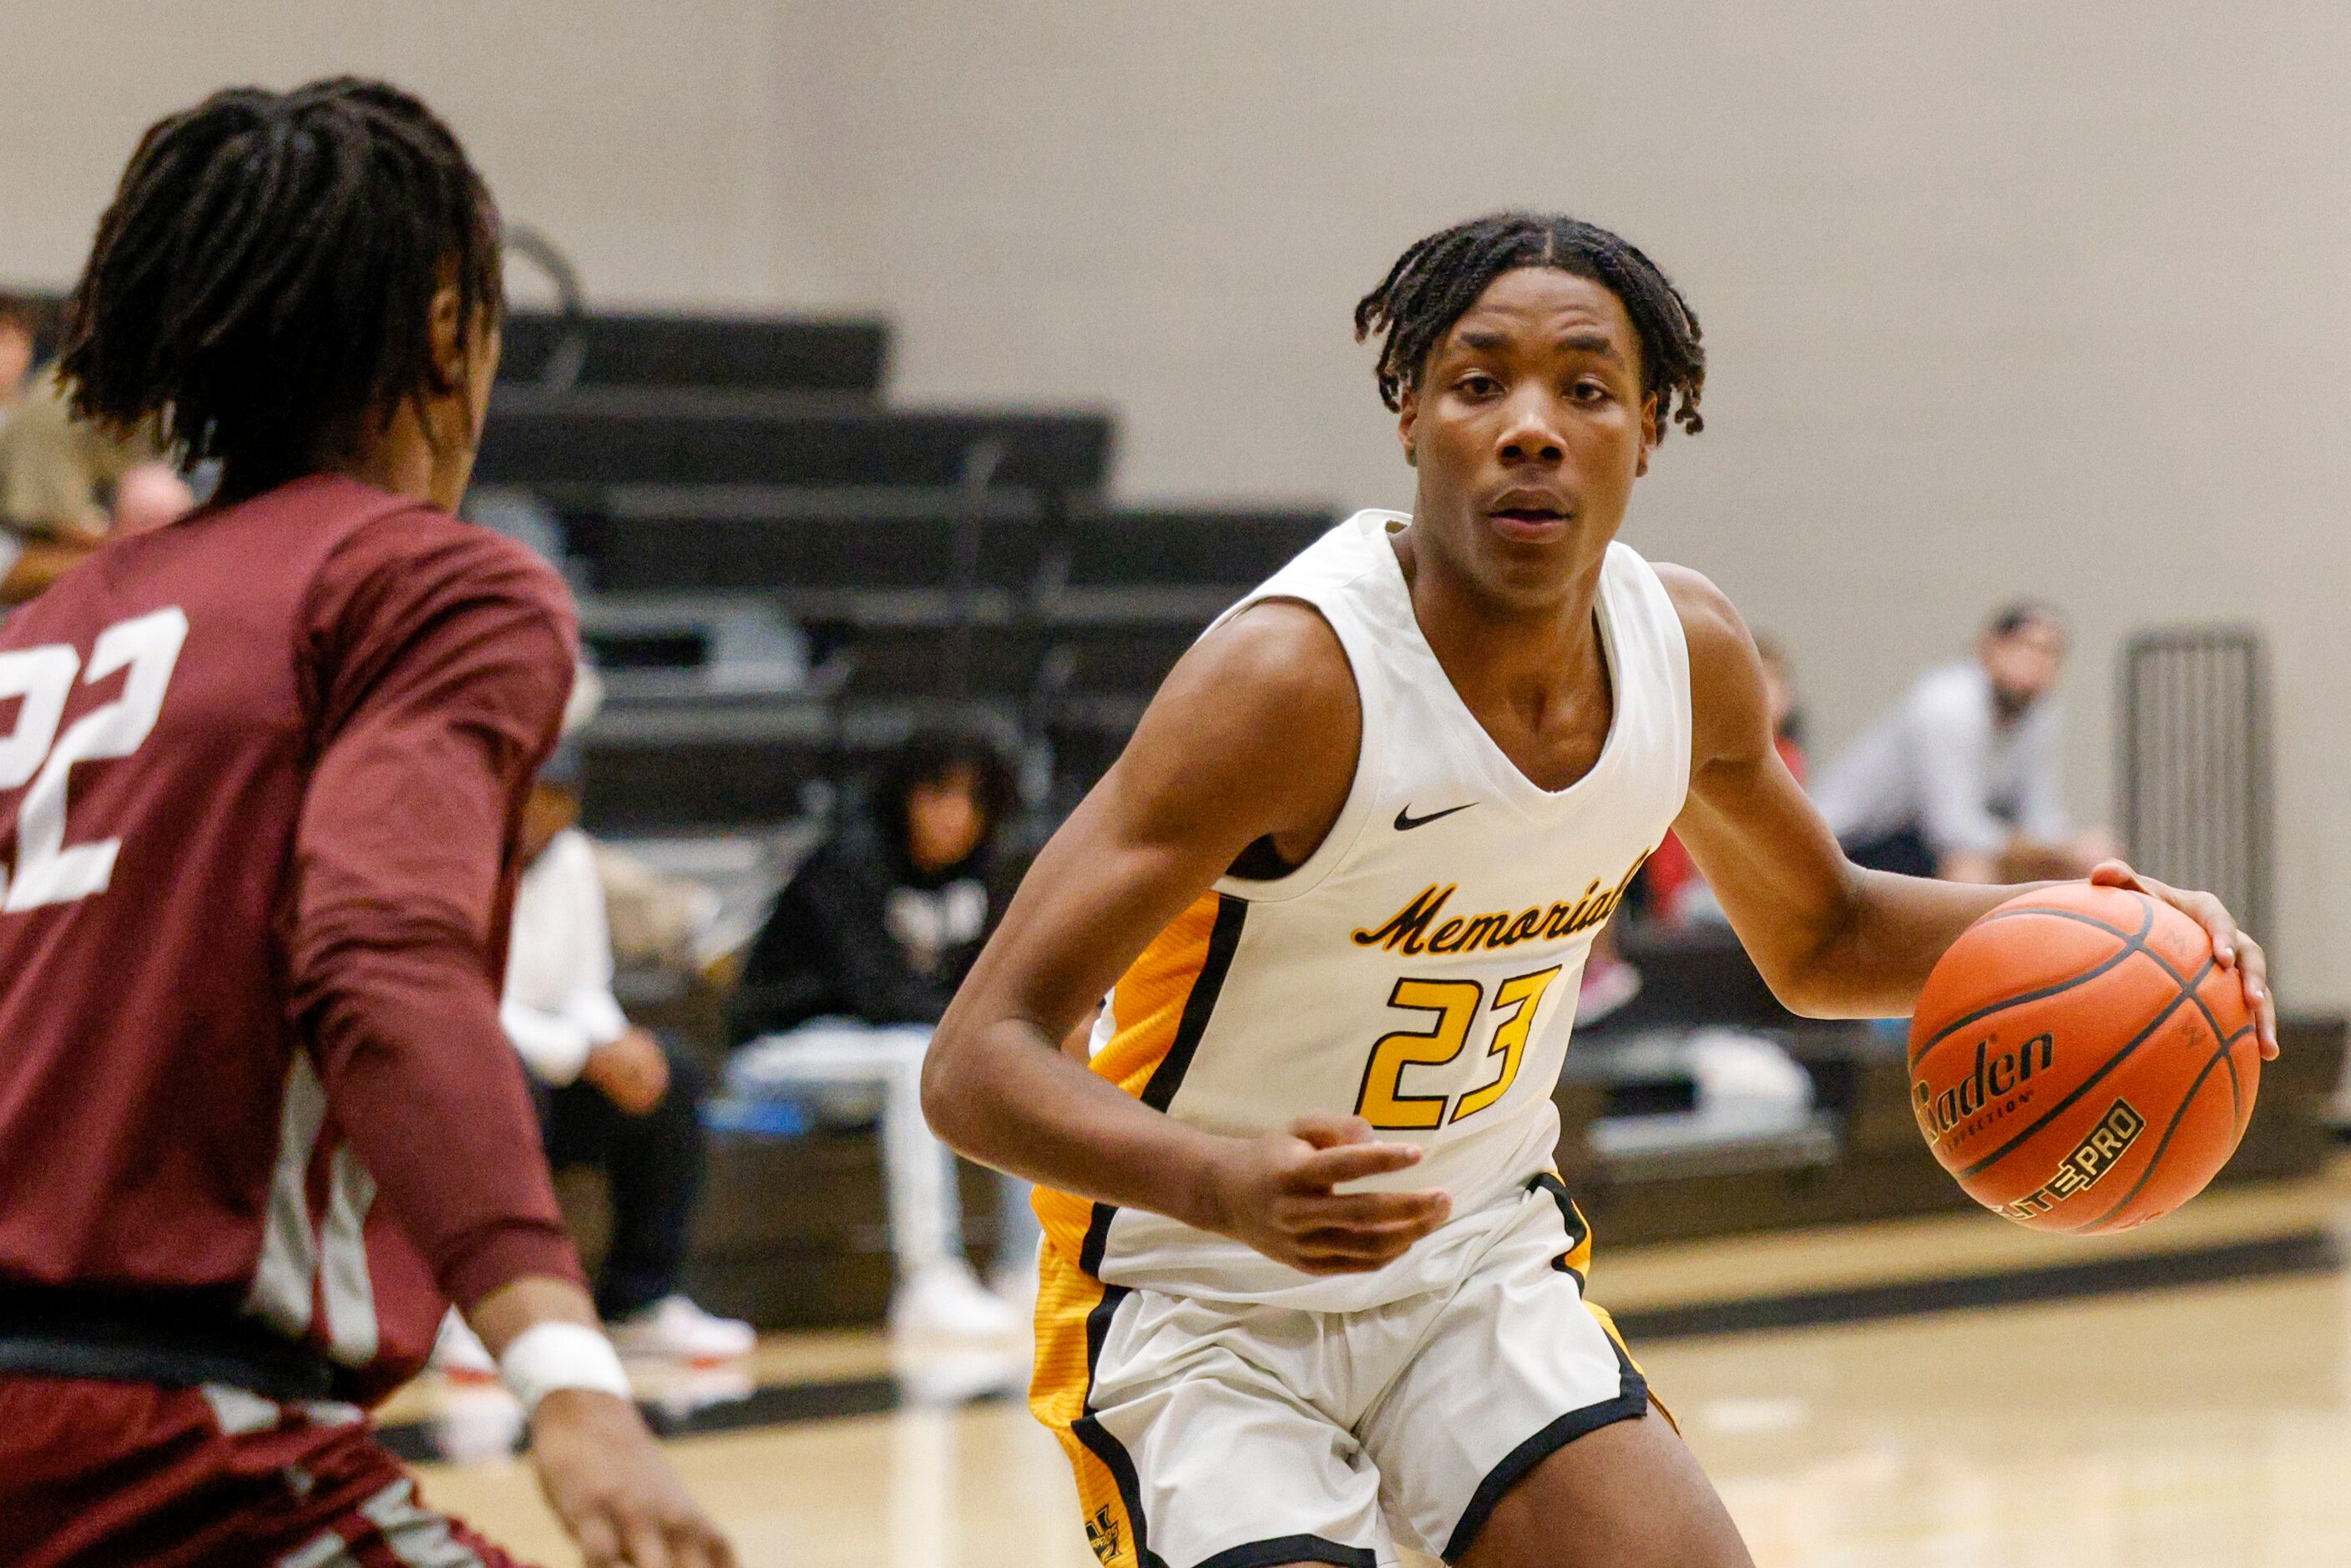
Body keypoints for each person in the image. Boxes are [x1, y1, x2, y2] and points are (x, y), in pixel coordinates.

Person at [918, 211, 2276, 1568]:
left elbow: (1826, 933)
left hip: (1472, 1279)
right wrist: (1220, 1184)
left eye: (1583, 387)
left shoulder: (1685, 654)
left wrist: (2130, 936)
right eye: (1476, 380)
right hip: (1197, 1295)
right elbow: (977, 1061)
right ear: (1408, 418)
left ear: (1649, 427)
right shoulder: (1291, 682)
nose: (1529, 425)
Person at [0, 79, 731, 1567]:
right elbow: (379, 949)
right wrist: (571, 1379)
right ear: (453, 329)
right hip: (171, 1443)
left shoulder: (36, 631)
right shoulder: (427, 582)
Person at [728, 729, 1033, 1336]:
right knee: (917, 1058)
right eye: (938, 794)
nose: (955, 816)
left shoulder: (985, 876)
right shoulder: (849, 862)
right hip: (780, 1052)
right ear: (905, 795)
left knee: (1018, 1060)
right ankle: (928, 1281)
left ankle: (1028, 1271)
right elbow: (879, 996)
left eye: (973, 800)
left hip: (892, 1050)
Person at [477, 743, 755, 1363]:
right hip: (491, 1066)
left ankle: (641, 1302)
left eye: (560, 801)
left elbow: (584, 985)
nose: (545, 817)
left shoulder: (574, 860)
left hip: (558, 1063)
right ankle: (471, 1314)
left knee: (672, 1075)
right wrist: (585, 1053)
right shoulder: (458, 856)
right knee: (501, 1083)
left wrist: (617, 1045)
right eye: (536, 798)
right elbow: (468, 1001)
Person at [1814, 602, 2115, 884]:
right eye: (2026, 647)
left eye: (2050, 652)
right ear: (1988, 649)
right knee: (1971, 871)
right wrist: (2056, 849)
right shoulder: (1947, 704)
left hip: (1922, 843)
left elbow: (2038, 811)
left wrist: (2075, 848)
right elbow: (1953, 829)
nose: (2036, 661)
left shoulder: (2041, 714)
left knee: (2091, 865)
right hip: (1852, 847)